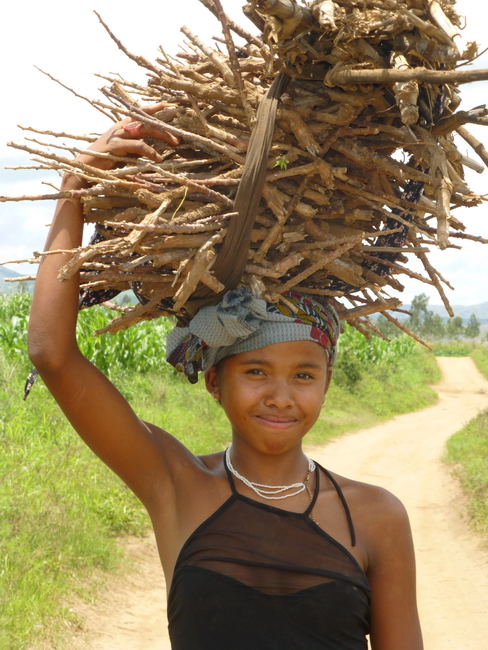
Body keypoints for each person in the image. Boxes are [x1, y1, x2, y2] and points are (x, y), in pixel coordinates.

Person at [28, 105, 424, 650]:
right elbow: (52, 355)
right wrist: (74, 189)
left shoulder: (376, 518)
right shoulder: (175, 485)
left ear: (327, 381)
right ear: (215, 381)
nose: (281, 397)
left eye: (304, 375)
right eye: (256, 371)